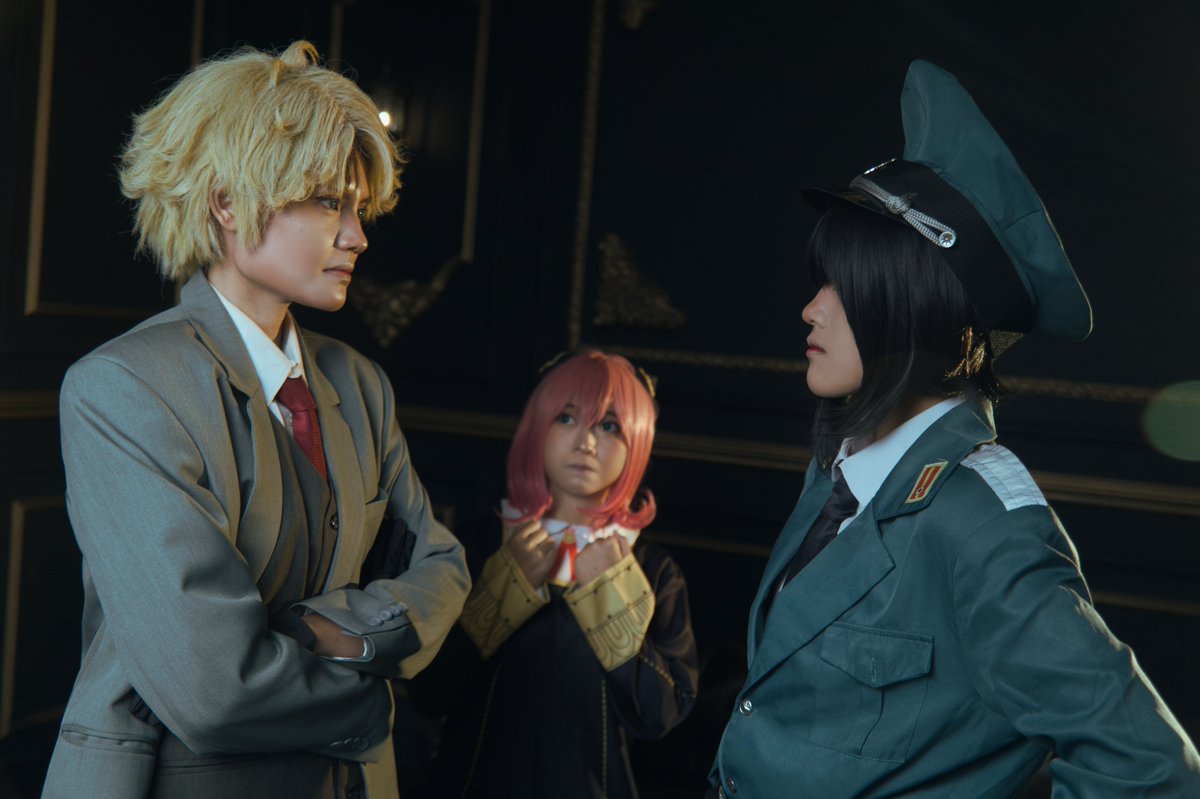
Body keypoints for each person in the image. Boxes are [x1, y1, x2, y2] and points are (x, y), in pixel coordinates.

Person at [708, 61, 1200, 797]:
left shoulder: (980, 522)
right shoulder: (842, 466)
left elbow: (1151, 769)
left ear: (915, 307)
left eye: (845, 285)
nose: (811, 308)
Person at [43, 41, 470, 799]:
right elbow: (214, 688)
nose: (357, 235)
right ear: (228, 203)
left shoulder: (360, 385)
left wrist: (321, 633)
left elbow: (441, 570)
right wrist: (371, 699)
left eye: (357, 208)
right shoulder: (122, 388)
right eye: (328, 202)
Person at [407, 350, 699, 798]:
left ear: (638, 442)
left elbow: (660, 715)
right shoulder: (478, 545)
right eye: (566, 418)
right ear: (537, 427)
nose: (586, 443)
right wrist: (503, 591)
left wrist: (609, 592)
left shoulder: (653, 570)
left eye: (609, 426)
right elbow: (428, 691)